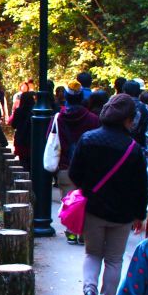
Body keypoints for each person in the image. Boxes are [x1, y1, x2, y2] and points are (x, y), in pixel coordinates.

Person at [67, 93, 148, 295]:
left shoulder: (88, 139)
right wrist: (139, 215)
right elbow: (141, 186)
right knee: (114, 259)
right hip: (122, 214)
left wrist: (87, 189)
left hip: (93, 208)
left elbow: (74, 173)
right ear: (128, 119)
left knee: (92, 253)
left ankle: (89, 291)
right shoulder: (133, 149)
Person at [55, 82, 100, 244]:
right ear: (82, 98)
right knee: (86, 200)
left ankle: (71, 232)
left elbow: (51, 138)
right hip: (88, 167)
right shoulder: (93, 119)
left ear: (66, 97)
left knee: (69, 200)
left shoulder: (59, 118)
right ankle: (83, 234)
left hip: (65, 164)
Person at [10, 90, 35, 167]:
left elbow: (14, 125)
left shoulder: (18, 111)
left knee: (23, 161)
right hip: (32, 139)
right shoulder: (34, 111)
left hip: (21, 139)